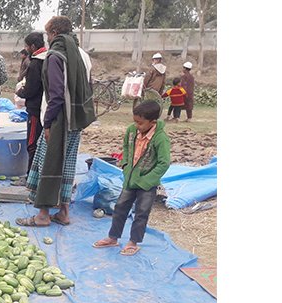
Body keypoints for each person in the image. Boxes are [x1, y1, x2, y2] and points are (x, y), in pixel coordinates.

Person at [18, 16, 95, 227]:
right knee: (67, 165)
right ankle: (64, 212)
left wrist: (49, 122)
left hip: (59, 118)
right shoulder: (83, 55)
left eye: (48, 34)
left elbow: (57, 95)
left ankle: (42, 215)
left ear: (53, 33)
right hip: (76, 119)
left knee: (48, 164)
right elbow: (89, 87)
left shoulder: (55, 56)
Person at [92, 100, 170, 256]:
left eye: (140, 123)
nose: (137, 126)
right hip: (130, 179)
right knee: (120, 207)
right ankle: (113, 237)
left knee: (141, 212)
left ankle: (133, 242)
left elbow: (164, 163)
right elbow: (126, 148)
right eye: (135, 121)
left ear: (152, 122)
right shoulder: (131, 131)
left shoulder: (161, 138)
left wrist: (147, 180)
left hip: (147, 184)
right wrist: (126, 165)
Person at [17, 32, 47, 174]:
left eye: (27, 46)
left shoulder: (36, 63)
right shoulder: (48, 58)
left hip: (36, 109)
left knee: (32, 142)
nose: (26, 49)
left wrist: (20, 91)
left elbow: (31, 89)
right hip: (45, 107)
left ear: (33, 46)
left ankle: (31, 175)